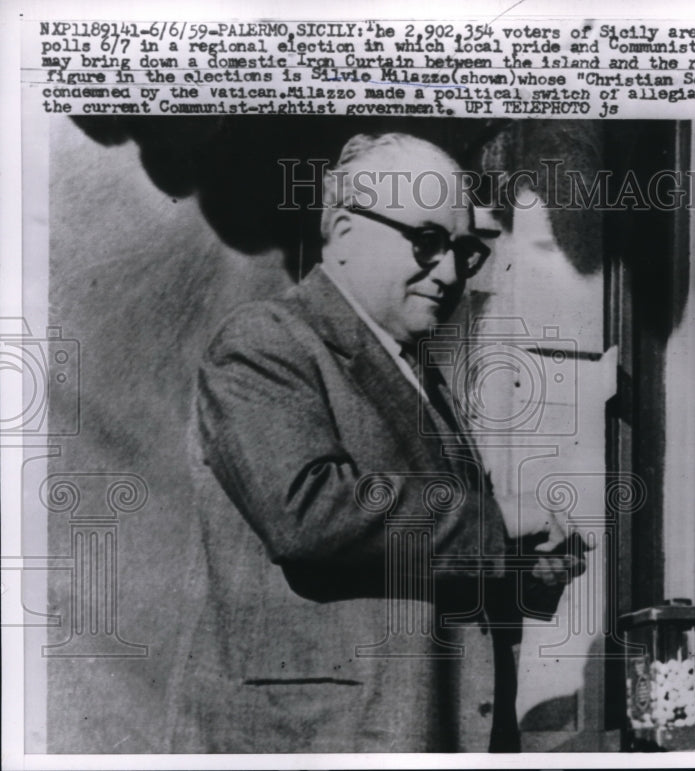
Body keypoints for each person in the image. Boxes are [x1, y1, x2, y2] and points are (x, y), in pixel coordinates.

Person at [167, 132, 579, 753]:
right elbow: (309, 515)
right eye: (427, 241)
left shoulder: (419, 379)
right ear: (342, 228)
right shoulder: (265, 343)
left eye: (464, 253)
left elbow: (428, 566)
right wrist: (498, 522)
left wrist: (527, 569)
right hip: (319, 741)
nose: (448, 273)